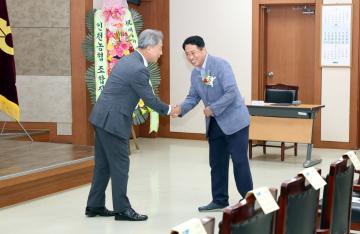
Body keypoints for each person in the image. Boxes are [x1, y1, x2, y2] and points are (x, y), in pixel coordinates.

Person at [85, 29, 176, 221]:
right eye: (160, 48)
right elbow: (150, 100)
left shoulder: (129, 60)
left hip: (101, 117)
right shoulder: (138, 69)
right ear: (150, 47)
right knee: (120, 165)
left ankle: (95, 205)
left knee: (103, 165)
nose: (161, 52)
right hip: (113, 121)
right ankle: (122, 210)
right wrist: (170, 110)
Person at [172, 36, 253, 212]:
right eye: (187, 54)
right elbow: (193, 97)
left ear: (203, 49)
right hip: (215, 124)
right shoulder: (195, 74)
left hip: (235, 122)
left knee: (239, 162)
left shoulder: (221, 65)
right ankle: (219, 199)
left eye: (193, 52)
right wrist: (180, 109)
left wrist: (213, 108)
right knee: (216, 163)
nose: (191, 57)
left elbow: (231, 92)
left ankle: (248, 199)